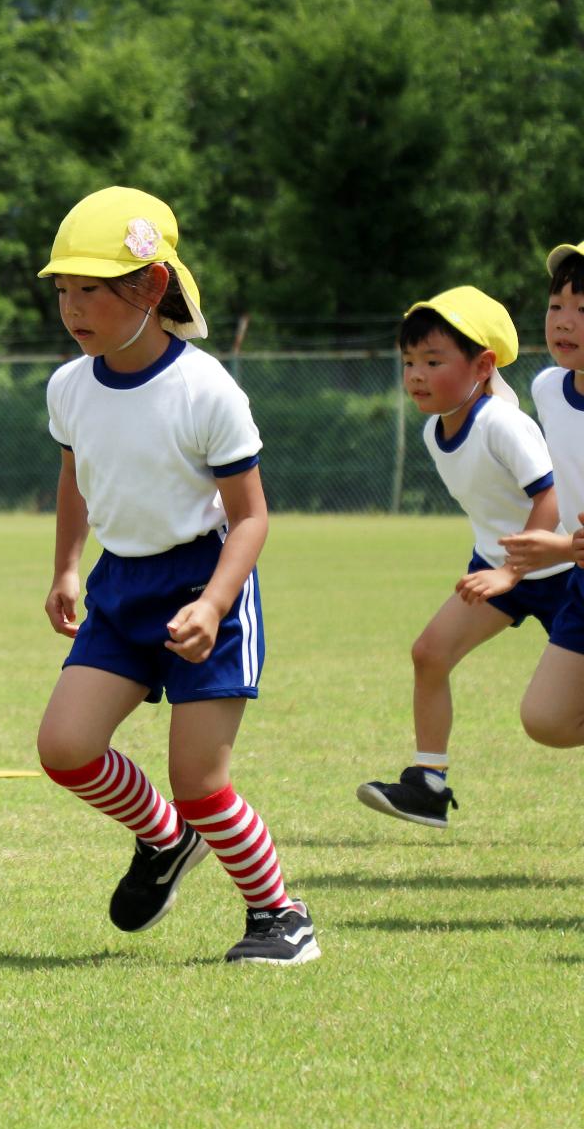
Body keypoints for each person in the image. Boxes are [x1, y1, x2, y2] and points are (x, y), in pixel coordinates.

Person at [32, 186, 317, 966]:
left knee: (199, 779)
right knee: (65, 748)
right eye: (64, 289)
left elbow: (251, 516)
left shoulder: (206, 389)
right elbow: (74, 478)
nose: (74, 307)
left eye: (92, 288)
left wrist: (216, 603)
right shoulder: (69, 385)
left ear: (152, 287)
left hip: (205, 584)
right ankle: (165, 840)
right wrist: (65, 566)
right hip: (120, 585)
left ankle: (281, 916)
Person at [357, 288, 569, 825]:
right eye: (409, 362)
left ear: (483, 366)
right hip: (502, 571)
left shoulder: (502, 422)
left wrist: (509, 570)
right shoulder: (435, 430)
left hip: (565, 570)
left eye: (433, 361)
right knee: (430, 654)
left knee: (559, 711)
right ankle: (428, 784)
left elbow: (553, 495)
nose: (416, 375)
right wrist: (500, 569)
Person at [503, 244, 584, 749]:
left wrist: (555, 549)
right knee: (546, 720)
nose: (564, 321)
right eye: (557, 306)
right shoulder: (549, 388)